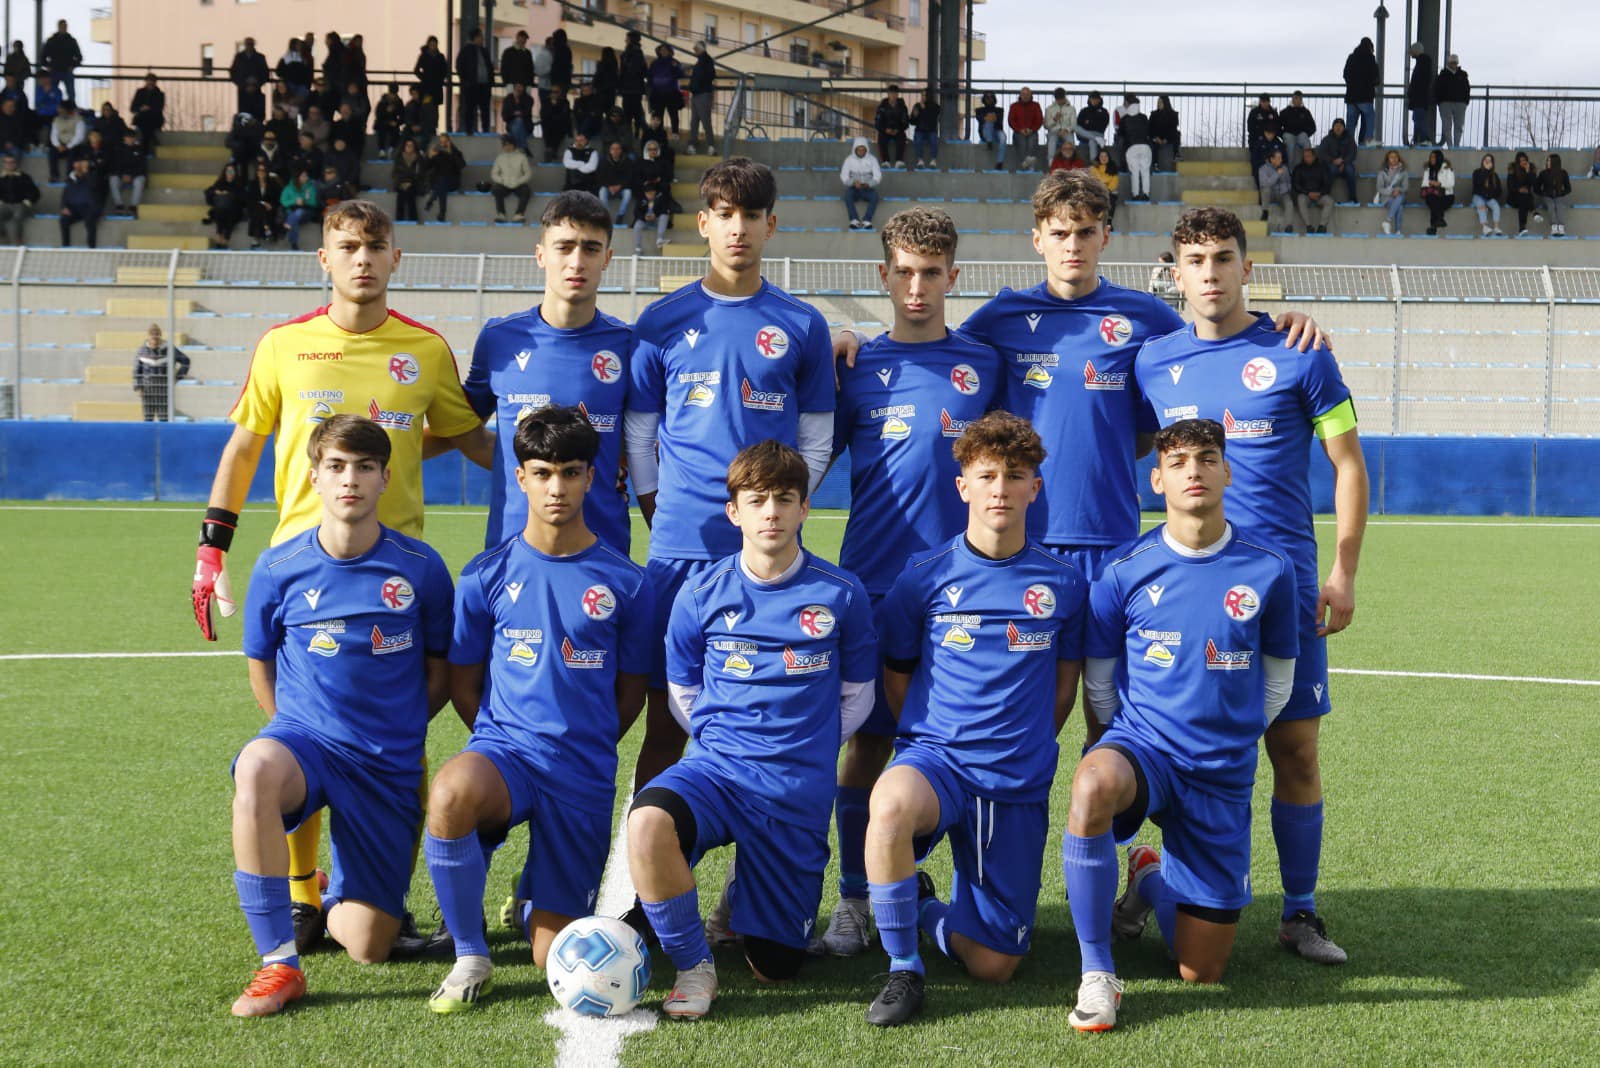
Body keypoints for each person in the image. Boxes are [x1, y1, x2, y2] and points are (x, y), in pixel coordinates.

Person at [832, 175, 1321, 703]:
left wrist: (1278, 325)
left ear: (1105, 236)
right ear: (1037, 238)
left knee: (1110, 701)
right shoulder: (1000, 318)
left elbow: (1210, 337)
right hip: (1023, 539)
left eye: (1086, 232)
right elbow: (929, 347)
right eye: (1060, 233)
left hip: (1114, 541)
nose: (1073, 245)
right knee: (1019, 692)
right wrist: (856, 339)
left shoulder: (1145, 316)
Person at [192, 203, 489, 955]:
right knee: (298, 729)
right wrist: (211, 549)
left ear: (396, 258)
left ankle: (382, 895)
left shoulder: (425, 350)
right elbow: (244, 448)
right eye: (347, 246)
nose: (362, 258)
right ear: (324, 258)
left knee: (402, 738)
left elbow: (463, 435)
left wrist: (566, 465)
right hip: (302, 571)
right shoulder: (284, 345)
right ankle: (301, 894)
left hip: (399, 574)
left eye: (375, 246)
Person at [1136, 206, 1368, 972]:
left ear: (1246, 266)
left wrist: (1343, 570)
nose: (1210, 273)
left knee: (1295, 751)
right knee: (1193, 754)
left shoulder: (1300, 353)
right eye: (1196, 260)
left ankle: (1299, 911)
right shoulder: (1152, 363)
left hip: (1285, 592)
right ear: (1176, 272)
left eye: (1223, 258)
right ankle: (1165, 880)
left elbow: (1348, 465)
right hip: (1187, 596)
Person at [620, 160, 837, 931]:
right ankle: (647, 896)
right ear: (703, 223)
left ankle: (750, 892)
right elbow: (639, 435)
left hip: (770, 562)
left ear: (771, 224)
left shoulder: (803, 325)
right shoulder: (662, 321)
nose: (738, 228)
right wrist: (663, 514)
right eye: (723, 213)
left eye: (752, 214)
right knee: (666, 723)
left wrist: (776, 516)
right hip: (680, 552)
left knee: (771, 722)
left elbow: (816, 438)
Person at [1062, 417, 1299, 1032]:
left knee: (1202, 970)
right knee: (1093, 783)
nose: (1194, 471)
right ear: (1157, 479)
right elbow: (1100, 684)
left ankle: (1148, 880)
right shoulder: (1123, 570)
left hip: (1220, 770)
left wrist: (1233, 735)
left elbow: (1278, 682)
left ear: (1227, 471)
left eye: (1207, 458)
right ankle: (1097, 972)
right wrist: (1115, 745)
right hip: (1146, 750)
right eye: (1178, 462)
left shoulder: (1271, 569)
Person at [627, 440, 877, 1019]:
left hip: (794, 787)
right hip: (717, 771)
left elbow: (858, 696)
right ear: (733, 511)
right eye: (756, 500)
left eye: (784, 499)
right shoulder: (700, 593)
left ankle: (743, 891)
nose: (771, 512)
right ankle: (693, 966)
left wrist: (805, 745)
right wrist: (727, 743)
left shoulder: (842, 593)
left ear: (804, 507)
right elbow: (684, 692)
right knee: (647, 822)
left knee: (775, 966)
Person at [818, 208, 1002, 959]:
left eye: (931, 273)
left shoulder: (986, 364)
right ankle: (855, 898)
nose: (917, 286)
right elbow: (804, 465)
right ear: (883, 276)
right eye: (904, 272)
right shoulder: (853, 367)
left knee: (961, 739)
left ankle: (965, 896)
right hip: (872, 584)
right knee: (867, 744)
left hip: (966, 591)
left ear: (953, 276)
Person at [862, 410, 1086, 1026]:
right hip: (938, 762)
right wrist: (930, 740)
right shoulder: (922, 577)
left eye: (1014, 475)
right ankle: (903, 967)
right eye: (986, 476)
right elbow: (898, 677)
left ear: (1035, 487)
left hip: (1014, 777)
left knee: (994, 966)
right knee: (890, 805)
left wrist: (1020, 741)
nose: (1000, 489)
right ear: (963, 486)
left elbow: (1063, 689)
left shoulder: (1065, 584)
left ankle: (925, 908)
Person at [227, 413, 455, 1017]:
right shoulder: (278, 567)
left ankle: (332, 900)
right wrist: (290, 728)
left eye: (364, 467)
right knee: (257, 768)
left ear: (385, 478)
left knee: (370, 946)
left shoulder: (422, 567)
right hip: (305, 743)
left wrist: (404, 725)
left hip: (384, 760)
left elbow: (440, 668)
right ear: (314, 478)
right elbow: (260, 663)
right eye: (336, 466)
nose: (349, 479)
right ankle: (279, 963)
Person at [425, 406, 651, 1012]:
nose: (557, 488)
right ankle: (470, 955)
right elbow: (464, 683)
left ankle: (529, 899)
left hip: (582, 770)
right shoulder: (485, 575)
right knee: (451, 792)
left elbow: (632, 691)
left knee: (552, 954)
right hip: (507, 753)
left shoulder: (628, 583)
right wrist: (500, 743)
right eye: (543, 472)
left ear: (590, 478)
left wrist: (588, 740)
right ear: (520, 477)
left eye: (571, 472)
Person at [133, 323, 190, 421]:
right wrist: (138, 387)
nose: (154, 337)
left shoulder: (169, 349)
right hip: (147, 390)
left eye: (157, 334)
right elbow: (137, 371)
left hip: (163, 389)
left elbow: (186, 361)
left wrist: (177, 377)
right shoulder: (142, 351)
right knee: (148, 419)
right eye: (152, 334)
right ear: (148, 336)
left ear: (160, 335)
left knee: (163, 419)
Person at [455, 28, 493, 137]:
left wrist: (491, 81)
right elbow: (459, 66)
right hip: (471, 85)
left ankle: (485, 130)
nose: (482, 39)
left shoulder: (484, 51)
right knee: (470, 108)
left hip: (484, 85)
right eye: (480, 36)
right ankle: (469, 130)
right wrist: (466, 80)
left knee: (485, 108)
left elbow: (489, 67)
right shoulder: (466, 50)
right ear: (475, 37)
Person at [1342, 37, 1380, 145]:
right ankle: (1368, 141)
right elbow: (1375, 78)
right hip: (1365, 96)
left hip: (1351, 96)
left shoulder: (1351, 57)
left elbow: (1345, 74)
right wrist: (1370, 84)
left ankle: (1348, 143)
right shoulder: (1370, 59)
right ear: (1370, 47)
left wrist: (1351, 85)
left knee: (1351, 123)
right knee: (1369, 118)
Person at [840, 136, 882, 231]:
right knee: (848, 195)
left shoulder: (872, 159)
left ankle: (867, 220)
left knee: (874, 196)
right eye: (859, 150)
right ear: (855, 149)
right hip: (854, 188)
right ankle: (854, 220)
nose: (861, 152)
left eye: (863, 150)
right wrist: (853, 183)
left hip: (867, 188)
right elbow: (844, 176)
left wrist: (869, 184)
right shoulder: (849, 160)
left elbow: (877, 176)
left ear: (866, 149)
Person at [58, 156, 101, 247]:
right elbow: (65, 195)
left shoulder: (93, 175)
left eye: (80, 164)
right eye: (77, 164)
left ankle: (91, 247)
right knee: (64, 219)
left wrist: (86, 172)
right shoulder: (71, 178)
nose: (78, 166)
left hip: (89, 207)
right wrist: (63, 207)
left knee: (90, 221)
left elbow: (93, 186)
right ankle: (66, 247)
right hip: (74, 208)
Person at [490, 135, 534, 223]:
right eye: (505, 145)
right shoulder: (500, 157)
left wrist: (519, 181)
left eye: (509, 144)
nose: (507, 147)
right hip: (504, 184)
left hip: (518, 184)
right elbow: (494, 174)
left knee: (526, 191)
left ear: (514, 145)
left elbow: (528, 173)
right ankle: (501, 214)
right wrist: (502, 181)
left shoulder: (522, 157)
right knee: (496, 189)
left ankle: (519, 214)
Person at [1291, 145, 1334, 234]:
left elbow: (1328, 183)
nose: (1307, 158)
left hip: (1319, 195)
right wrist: (1308, 193)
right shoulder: (1299, 168)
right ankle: (1309, 226)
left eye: (1309, 156)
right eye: (1305, 156)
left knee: (1330, 201)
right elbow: (1296, 184)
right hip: (1306, 195)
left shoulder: (1322, 167)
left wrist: (1320, 193)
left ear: (1314, 156)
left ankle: (1322, 226)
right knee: (1300, 199)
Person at [1116, 97, 1152, 202]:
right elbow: (1149, 131)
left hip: (1131, 147)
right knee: (1145, 171)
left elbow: (1120, 134)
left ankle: (1135, 194)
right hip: (1145, 146)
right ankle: (1146, 194)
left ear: (1128, 104)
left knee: (1134, 172)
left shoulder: (1125, 118)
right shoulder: (1144, 117)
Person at [424, 133, 465, 222]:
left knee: (442, 182)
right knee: (442, 183)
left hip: (453, 182)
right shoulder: (437, 154)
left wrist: (451, 153)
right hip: (438, 182)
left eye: (445, 142)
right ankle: (442, 213)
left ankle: (432, 199)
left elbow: (461, 165)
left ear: (449, 142)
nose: (443, 144)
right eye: (441, 142)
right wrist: (429, 157)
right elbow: (426, 168)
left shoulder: (456, 153)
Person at [1317, 117, 1358, 204]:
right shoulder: (1327, 139)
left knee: (1350, 170)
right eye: (1336, 126)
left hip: (1345, 164)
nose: (1338, 128)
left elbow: (1353, 153)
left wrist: (1343, 162)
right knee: (1331, 170)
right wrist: (1332, 160)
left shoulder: (1350, 139)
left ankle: (1353, 198)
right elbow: (1321, 153)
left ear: (1344, 128)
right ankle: (1325, 196)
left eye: (1340, 126)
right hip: (1331, 164)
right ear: (1333, 127)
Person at [205, 161, 246, 247]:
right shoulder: (220, 182)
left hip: (234, 209)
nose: (230, 173)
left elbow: (242, 198)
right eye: (228, 171)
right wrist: (217, 192)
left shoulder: (238, 183)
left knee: (229, 210)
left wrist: (229, 194)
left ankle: (225, 237)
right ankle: (219, 235)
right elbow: (209, 191)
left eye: (232, 171)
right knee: (220, 209)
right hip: (220, 208)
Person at [109, 129, 148, 217]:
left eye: (132, 137)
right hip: (122, 176)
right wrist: (122, 175)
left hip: (135, 175)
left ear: (135, 139)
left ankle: (133, 207)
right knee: (113, 179)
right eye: (128, 137)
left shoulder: (139, 149)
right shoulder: (118, 149)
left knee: (140, 181)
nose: (130, 139)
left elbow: (142, 167)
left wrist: (132, 176)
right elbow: (115, 166)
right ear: (124, 138)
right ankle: (119, 206)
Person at [280, 167, 321, 251]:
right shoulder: (289, 187)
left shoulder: (310, 187)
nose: (306, 178)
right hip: (291, 212)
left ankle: (287, 227)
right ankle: (294, 244)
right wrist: (295, 201)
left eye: (306, 176)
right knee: (293, 219)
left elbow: (314, 202)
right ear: (297, 177)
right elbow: (283, 201)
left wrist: (304, 201)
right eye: (303, 176)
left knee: (298, 212)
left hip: (306, 212)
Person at [647, 44, 684, 137]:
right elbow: (650, 76)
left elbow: (681, 73)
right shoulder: (655, 63)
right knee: (658, 115)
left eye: (665, 50)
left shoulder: (674, 62)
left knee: (673, 114)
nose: (663, 52)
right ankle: (659, 134)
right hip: (658, 93)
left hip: (671, 93)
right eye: (661, 50)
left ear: (670, 52)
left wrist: (677, 67)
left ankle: (675, 133)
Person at [0, 151, 37, 243]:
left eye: (11, 162)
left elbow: (35, 192)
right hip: (5, 205)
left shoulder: (24, 177)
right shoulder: (1, 178)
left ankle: (19, 241)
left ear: (16, 163)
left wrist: (28, 201)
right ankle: (3, 239)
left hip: (20, 204)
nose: (9, 164)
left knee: (17, 218)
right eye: (7, 162)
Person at [1434, 54, 1470, 150]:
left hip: (1459, 103)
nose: (1453, 64)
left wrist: (1465, 102)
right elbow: (1437, 89)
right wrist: (1440, 102)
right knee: (1447, 126)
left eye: (1455, 63)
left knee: (1459, 125)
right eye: (1452, 63)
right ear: (1448, 63)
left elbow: (1467, 89)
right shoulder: (1442, 75)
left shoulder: (1462, 75)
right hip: (1446, 103)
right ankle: (1450, 146)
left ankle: (1456, 146)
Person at [40, 19, 80, 105]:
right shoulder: (53, 41)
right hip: (55, 70)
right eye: (62, 26)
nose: (63, 28)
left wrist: (72, 66)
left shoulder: (70, 41)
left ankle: (70, 108)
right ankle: (52, 108)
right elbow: (43, 57)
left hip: (64, 70)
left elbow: (79, 57)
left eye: (65, 26)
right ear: (58, 27)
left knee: (70, 94)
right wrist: (48, 66)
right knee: (52, 92)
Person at [595, 139, 634, 225]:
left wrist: (620, 186)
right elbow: (600, 177)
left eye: (617, 149)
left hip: (622, 188)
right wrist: (609, 186)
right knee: (602, 191)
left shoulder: (627, 161)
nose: (615, 151)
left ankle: (620, 215)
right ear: (610, 150)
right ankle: (607, 216)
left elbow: (630, 177)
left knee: (628, 193)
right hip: (608, 188)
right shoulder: (603, 161)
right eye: (613, 149)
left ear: (621, 150)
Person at [246, 159, 284, 247]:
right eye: (259, 170)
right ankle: (267, 229)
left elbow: (276, 199)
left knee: (262, 211)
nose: (261, 172)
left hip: (270, 209)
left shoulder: (272, 184)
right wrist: (263, 203)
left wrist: (270, 205)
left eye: (263, 170)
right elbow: (250, 199)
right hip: (255, 208)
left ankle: (256, 237)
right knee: (259, 209)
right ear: (256, 172)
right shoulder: (252, 184)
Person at [1258, 147, 1296, 232]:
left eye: (1281, 158)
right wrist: (1277, 174)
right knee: (1266, 189)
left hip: (1281, 193)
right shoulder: (1263, 169)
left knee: (1289, 203)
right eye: (1278, 158)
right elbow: (1264, 184)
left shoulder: (1285, 168)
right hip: (1270, 195)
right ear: (1272, 159)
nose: (1281, 160)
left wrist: (1285, 188)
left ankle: (1289, 226)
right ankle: (1265, 212)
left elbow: (1289, 183)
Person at [687, 41, 716, 152]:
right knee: (695, 121)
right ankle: (695, 145)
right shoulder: (704, 61)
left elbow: (707, 76)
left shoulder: (705, 61)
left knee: (704, 121)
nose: (695, 51)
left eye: (696, 49)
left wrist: (695, 86)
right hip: (698, 93)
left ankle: (710, 145)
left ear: (700, 49)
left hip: (702, 93)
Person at [618, 31, 647, 140]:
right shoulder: (638, 53)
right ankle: (636, 133)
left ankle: (631, 135)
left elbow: (626, 71)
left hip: (629, 88)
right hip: (635, 88)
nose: (625, 40)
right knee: (636, 112)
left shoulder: (630, 53)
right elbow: (643, 70)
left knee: (629, 113)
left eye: (627, 38)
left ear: (631, 39)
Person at [1419, 150, 1455, 235]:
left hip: (1446, 195)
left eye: (1434, 157)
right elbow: (1423, 183)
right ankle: (1439, 219)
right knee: (1431, 199)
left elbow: (1451, 184)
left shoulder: (1447, 169)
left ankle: (1433, 227)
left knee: (1435, 204)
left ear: (1439, 158)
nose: (1432, 159)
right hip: (1433, 194)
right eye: (1431, 157)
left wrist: (1440, 184)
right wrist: (1430, 183)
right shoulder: (1428, 169)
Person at [47, 100, 84, 182]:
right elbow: (53, 135)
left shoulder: (78, 120)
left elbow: (79, 137)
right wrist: (58, 145)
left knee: (73, 151)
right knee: (52, 151)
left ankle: (70, 176)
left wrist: (68, 146)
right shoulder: (56, 120)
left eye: (61, 109)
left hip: (73, 145)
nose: (59, 111)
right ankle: (54, 176)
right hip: (60, 145)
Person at [230, 38, 270, 114]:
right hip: (242, 90)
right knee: (244, 113)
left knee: (256, 113)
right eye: (248, 44)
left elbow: (265, 73)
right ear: (245, 45)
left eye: (251, 44)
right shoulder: (239, 57)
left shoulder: (260, 57)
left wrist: (257, 83)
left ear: (254, 45)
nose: (249, 46)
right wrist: (243, 83)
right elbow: (233, 72)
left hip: (256, 90)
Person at [1007, 87, 1042, 172]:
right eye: (1023, 94)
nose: (1025, 96)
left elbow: (1039, 120)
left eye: (1027, 94)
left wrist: (1031, 129)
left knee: (1032, 142)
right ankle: (1024, 164)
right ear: (1020, 95)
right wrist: (1019, 130)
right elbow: (1011, 121)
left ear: (1030, 95)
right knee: (1021, 142)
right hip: (1018, 132)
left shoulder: (1036, 105)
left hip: (1032, 131)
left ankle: (1029, 165)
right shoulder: (1014, 106)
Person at [632, 182, 674, 255]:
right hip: (645, 221)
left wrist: (655, 215)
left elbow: (664, 210)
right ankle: (638, 248)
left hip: (656, 220)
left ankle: (660, 239)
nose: (650, 196)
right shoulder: (641, 199)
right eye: (648, 194)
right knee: (637, 226)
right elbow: (636, 212)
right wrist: (644, 217)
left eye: (651, 194)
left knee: (664, 216)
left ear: (655, 192)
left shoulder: (660, 197)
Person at [413, 36, 448, 120]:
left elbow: (445, 70)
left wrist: (441, 78)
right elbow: (416, 70)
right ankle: (427, 124)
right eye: (432, 44)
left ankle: (433, 125)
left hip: (436, 87)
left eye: (435, 44)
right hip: (427, 87)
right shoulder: (424, 56)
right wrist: (424, 78)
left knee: (434, 110)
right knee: (426, 108)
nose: (433, 46)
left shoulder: (440, 56)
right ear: (428, 45)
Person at [1537, 153, 1572, 238]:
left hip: (1559, 196)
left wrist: (1561, 193)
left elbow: (1568, 188)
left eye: (1549, 160)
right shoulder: (1543, 173)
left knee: (1559, 205)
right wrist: (1543, 193)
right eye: (1547, 160)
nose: (1547, 162)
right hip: (1547, 196)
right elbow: (1536, 187)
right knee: (1551, 205)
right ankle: (1554, 226)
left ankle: (1561, 227)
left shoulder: (1563, 173)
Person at [1470, 152, 1504, 236]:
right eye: (1486, 160)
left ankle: (1496, 227)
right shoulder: (1477, 172)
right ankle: (1484, 227)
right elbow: (1478, 184)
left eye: (1490, 160)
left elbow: (1499, 190)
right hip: (1478, 196)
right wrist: (1485, 171)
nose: (1488, 162)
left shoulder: (1494, 175)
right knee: (1481, 205)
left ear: (1492, 163)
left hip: (1489, 197)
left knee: (1496, 206)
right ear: (1482, 161)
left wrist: (1491, 195)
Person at [876, 84, 909, 169]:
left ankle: (899, 161)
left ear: (898, 94)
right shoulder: (882, 107)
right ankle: (885, 162)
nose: (893, 95)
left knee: (902, 137)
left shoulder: (902, 107)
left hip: (898, 131)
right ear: (888, 94)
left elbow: (906, 122)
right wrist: (885, 129)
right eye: (891, 93)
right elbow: (877, 122)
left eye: (895, 93)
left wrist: (898, 129)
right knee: (881, 137)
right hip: (885, 131)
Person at [1407, 43, 1435, 146]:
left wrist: (1411, 91)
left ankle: (1424, 139)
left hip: (1419, 97)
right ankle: (1419, 139)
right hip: (1420, 97)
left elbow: (1419, 81)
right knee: (1417, 119)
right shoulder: (1424, 62)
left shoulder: (1422, 63)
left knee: (1418, 119)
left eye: (1412, 51)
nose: (1410, 54)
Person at [391, 137, 423, 225]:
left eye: (411, 145)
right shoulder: (399, 158)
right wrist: (401, 182)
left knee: (410, 196)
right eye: (407, 145)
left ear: (414, 147)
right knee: (401, 197)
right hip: (401, 182)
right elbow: (395, 173)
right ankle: (399, 220)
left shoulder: (419, 159)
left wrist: (410, 182)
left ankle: (413, 220)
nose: (409, 147)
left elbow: (419, 174)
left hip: (414, 183)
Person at [1506, 151, 1538, 236]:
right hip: (1513, 197)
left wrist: (1528, 172)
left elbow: (1534, 184)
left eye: (1524, 160)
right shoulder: (1513, 170)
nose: (1523, 162)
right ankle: (1534, 212)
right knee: (1523, 197)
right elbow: (1510, 186)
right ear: (1517, 162)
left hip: (1526, 198)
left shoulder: (1530, 169)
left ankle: (1522, 228)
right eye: (1521, 161)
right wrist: (1519, 189)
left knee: (1523, 200)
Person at [1075, 90, 1110, 165]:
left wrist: (1089, 122)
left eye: (1096, 99)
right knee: (1075, 127)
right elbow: (1079, 124)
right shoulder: (1084, 110)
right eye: (1092, 98)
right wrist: (1093, 122)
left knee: (1092, 141)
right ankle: (1096, 139)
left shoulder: (1104, 111)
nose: (1094, 100)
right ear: (1089, 99)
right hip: (1086, 134)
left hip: (1098, 133)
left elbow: (1103, 125)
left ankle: (1094, 162)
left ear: (1099, 100)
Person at [130, 73, 165, 149]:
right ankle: (150, 143)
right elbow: (133, 108)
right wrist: (141, 109)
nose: (150, 83)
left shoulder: (159, 94)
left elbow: (159, 108)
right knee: (144, 129)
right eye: (149, 81)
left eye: (152, 81)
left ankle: (146, 148)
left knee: (147, 129)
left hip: (154, 120)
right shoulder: (140, 93)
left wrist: (149, 108)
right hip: (141, 120)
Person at [1377, 149, 1408, 234]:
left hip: (1400, 196)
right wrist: (1391, 193)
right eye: (1391, 157)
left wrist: (1398, 190)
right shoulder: (1382, 172)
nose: (1394, 159)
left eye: (1396, 157)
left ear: (1399, 159)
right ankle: (1398, 231)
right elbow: (1379, 188)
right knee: (1400, 207)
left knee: (1400, 197)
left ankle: (1387, 221)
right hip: (1387, 197)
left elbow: (1405, 187)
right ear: (1387, 160)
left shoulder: (1403, 172)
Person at [1042, 88, 1073, 170]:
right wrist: (1054, 119)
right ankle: (1051, 164)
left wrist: (1066, 129)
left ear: (1065, 97)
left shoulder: (1071, 109)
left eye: (1061, 99)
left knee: (1070, 140)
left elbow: (1073, 124)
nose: (1060, 101)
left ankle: (1071, 164)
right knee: (1052, 140)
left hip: (1067, 131)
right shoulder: (1049, 109)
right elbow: (1046, 125)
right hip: (1053, 131)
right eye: (1058, 99)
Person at [500, 31, 535, 105]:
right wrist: (507, 82)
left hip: (525, 84)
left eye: (525, 39)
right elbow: (504, 68)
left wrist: (530, 83)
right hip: (512, 84)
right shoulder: (508, 52)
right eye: (522, 38)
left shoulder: (527, 53)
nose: (524, 40)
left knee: (525, 105)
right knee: (512, 104)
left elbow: (531, 69)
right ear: (517, 38)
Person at [1280, 91, 1316, 160]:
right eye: (1296, 98)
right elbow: (1278, 126)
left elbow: (1313, 127)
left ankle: (1309, 163)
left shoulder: (1306, 112)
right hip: (1288, 134)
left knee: (1306, 143)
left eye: (1300, 98)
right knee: (1290, 144)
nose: (1297, 100)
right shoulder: (1284, 112)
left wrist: (1306, 133)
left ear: (1301, 100)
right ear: (1292, 99)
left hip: (1301, 135)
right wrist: (1283, 135)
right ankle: (1289, 166)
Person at [1246, 94, 1278, 170]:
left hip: (1271, 139)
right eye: (1262, 101)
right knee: (1256, 155)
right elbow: (1250, 127)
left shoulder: (1273, 113)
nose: (1264, 103)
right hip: (1256, 139)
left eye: (1266, 101)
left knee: (1278, 151)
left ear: (1269, 102)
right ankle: (1256, 173)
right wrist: (1260, 136)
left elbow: (1277, 127)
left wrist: (1271, 135)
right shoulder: (1254, 112)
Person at [974, 91, 1005, 169]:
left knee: (1003, 138)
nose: (989, 99)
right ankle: (989, 141)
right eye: (987, 97)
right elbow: (981, 120)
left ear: (994, 98)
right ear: (984, 99)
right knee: (988, 124)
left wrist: (989, 118)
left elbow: (998, 120)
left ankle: (999, 162)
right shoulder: (979, 110)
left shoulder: (1000, 110)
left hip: (997, 132)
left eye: (991, 97)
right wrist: (990, 118)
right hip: (985, 133)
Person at [1150, 95, 1181, 172]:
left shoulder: (1173, 114)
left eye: (1160, 102)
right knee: (1153, 143)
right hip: (1157, 137)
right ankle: (1155, 164)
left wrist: (1166, 139)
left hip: (1168, 136)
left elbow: (1173, 127)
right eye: (1158, 102)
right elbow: (1150, 128)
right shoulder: (1154, 114)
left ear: (1166, 103)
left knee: (1177, 134)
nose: (1158, 104)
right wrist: (1156, 137)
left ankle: (1176, 154)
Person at [541, 85, 572, 163]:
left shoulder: (565, 102)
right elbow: (543, 115)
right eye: (552, 92)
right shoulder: (546, 101)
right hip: (548, 124)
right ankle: (550, 149)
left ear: (560, 93)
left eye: (556, 92)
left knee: (557, 127)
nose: (553, 94)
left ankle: (551, 150)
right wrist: (552, 106)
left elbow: (564, 116)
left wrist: (555, 106)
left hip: (560, 124)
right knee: (548, 126)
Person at [911, 90, 940, 170]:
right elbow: (912, 122)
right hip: (920, 130)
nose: (923, 97)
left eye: (925, 95)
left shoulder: (935, 107)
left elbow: (932, 120)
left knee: (934, 139)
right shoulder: (917, 106)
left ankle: (933, 160)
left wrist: (924, 110)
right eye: (922, 95)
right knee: (918, 139)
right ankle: (920, 160)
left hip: (931, 130)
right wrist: (914, 116)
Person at [277, 38, 313, 105]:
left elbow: (279, 71)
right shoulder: (302, 58)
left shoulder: (303, 57)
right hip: (293, 84)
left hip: (297, 84)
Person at [1091, 148, 1120, 227]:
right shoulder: (1093, 168)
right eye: (1102, 156)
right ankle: (1097, 221)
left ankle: (1109, 222)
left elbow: (1115, 181)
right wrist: (1106, 182)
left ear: (1109, 157)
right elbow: (1094, 180)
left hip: (1109, 191)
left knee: (1111, 199)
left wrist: (1107, 189)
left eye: (1106, 156)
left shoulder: (1113, 168)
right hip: (1096, 191)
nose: (1104, 158)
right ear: (1098, 158)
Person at [501, 83, 535, 152]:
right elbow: (505, 116)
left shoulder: (529, 99)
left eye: (520, 86)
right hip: (511, 125)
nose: (518, 89)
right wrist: (515, 114)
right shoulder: (508, 99)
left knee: (518, 122)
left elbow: (525, 113)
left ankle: (520, 148)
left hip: (525, 126)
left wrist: (517, 100)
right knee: (517, 123)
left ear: (524, 88)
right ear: (514, 88)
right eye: (517, 86)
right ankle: (523, 147)